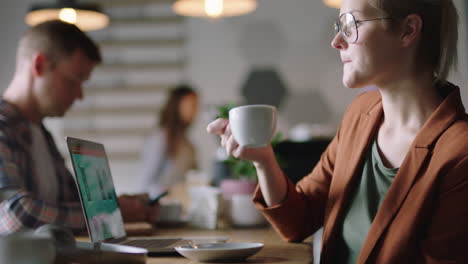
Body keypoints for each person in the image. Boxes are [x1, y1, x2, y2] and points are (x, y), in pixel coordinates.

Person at [207, 0, 468, 263]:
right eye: (339, 26)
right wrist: (263, 159)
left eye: (352, 25)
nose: (337, 41)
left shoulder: (460, 152)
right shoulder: (360, 115)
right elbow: (298, 219)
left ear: (408, 30)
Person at [0, 20, 158, 234]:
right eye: (73, 81)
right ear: (38, 65)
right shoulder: (3, 128)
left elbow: (72, 202)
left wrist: (121, 205)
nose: (79, 95)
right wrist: (112, 211)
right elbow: (15, 217)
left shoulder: (40, 133)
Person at [140, 85, 199, 199]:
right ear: (177, 105)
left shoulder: (188, 144)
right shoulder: (159, 139)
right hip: (160, 207)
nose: (196, 110)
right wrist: (170, 191)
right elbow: (145, 183)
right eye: (192, 104)